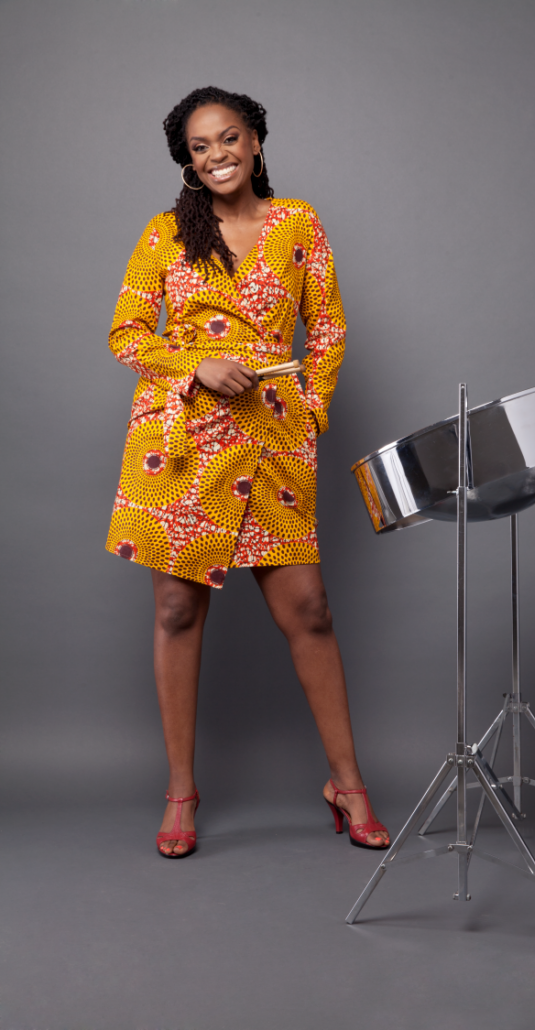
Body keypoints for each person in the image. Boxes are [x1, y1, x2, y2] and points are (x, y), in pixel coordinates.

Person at [105, 87, 389, 858]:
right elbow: (126, 334)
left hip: (271, 438)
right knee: (176, 611)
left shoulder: (298, 223)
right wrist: (195, 364)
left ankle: (347, 784)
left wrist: (310, 412)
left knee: (310, 611)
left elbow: (326, 327)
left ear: (256, 141)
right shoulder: (165, 234)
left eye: (228, 138)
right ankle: (181, 791)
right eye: (200, 146)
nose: (217, 154)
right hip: (180, 441)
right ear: (188, 161)